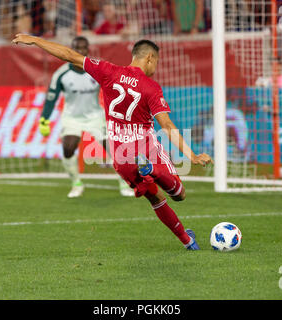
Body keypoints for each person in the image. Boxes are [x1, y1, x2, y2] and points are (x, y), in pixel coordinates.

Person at [12, 34, 213, 250]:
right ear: (150, 58)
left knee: (155, 199)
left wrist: (35, 40)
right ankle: (153, 169)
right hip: (145, 148)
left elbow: (70, 56)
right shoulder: (151, 87)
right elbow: (167, 125)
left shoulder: (108, 71)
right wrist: (191, 155)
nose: (156, 66)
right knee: (179, 195)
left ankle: (187, 240)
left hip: (121, 156)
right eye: (156, 62)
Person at [39, 36, 134, 198]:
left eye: (83, 48)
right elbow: (51, 97)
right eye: (76, 48)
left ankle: (124, 182)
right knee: (68, 148)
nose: (80, 51)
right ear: (71, 49)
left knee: (113, 148)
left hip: (95, 116)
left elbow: (115, 88)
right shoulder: (61, 74)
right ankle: (76, 183)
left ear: (88, 50)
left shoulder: (97, 69)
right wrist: (44, 119)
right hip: (72, 117)